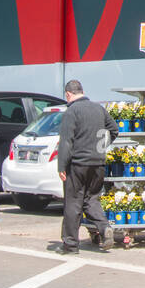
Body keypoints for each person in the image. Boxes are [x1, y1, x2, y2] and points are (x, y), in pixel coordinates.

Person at [56, 79, 119, 253]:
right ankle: (104, 227)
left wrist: (61, 166)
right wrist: (100, 147)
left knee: (73, 203)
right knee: (92, 199)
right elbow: (114, 129)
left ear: (68, 94)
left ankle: (70, 245)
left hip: (78, 164)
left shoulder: (72, 111)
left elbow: (66, 142)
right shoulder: (99, 109)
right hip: (98, 163)